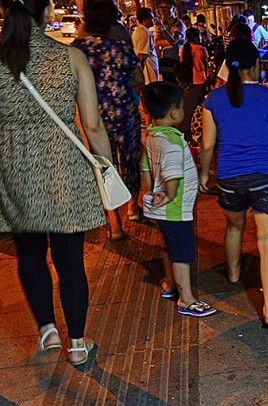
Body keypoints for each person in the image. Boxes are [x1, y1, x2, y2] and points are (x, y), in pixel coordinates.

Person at [0, 0, 113, 365]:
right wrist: (107, 168)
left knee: (29, 251)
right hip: (64, 167)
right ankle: (77, 343)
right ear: (46, 13)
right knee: (69, 260)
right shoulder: (71, 59)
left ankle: (47, 328)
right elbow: (93, 126)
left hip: (14, 168)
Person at [199, 39, 268, 327]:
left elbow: (207, 145)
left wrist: (205, 174)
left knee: (234, 226)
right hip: (264, 177)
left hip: (228, 177)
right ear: (258, 66)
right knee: (267, 244)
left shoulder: (213, 99)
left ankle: (234, 273)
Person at [141, 82, 218, 317]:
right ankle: (186, 298)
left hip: (163, 211)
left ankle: (170, 284)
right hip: (174, 209)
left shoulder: (152, 137)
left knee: (169, 246)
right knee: (183, 253)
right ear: (174, 113)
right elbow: (172, 172)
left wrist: (146, 192)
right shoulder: (172, 141)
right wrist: (170, 194)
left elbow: (144, 166)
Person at [72, 0, 144, 239]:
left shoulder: (77, 49)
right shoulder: (120, 46)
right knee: (131, 160)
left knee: (103, 165)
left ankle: (114, 223)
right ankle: (133, 207)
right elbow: (139, 79)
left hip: (93, 115)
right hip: (125, 112)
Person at [177, 27, 208, 139]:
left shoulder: (183, 50)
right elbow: (205, 67)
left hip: (189, 81)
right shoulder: (201, 50)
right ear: (196, 37)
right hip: (200, 81)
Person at [153, 0, 185, 82]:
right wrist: (168, 40)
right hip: (165, 60)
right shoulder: (160, 24)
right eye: (161, 7)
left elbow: (173, 41)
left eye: (166, 7)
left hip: (177, 60)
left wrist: (163, 29)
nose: (163, 10)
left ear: (173, 8)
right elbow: (156, 42)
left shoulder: (179, 24)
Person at [132, 7, 159, 84]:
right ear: (145, 20)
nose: (154, 20)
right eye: (151, 18)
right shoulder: (144, 32)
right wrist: (139, 76)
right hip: (148, 71)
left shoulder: (140, 31)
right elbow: (141, 55)